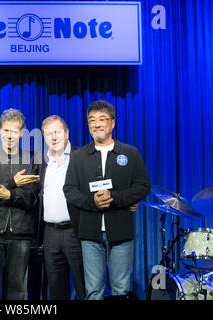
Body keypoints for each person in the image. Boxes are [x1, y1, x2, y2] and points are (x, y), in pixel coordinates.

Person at [63, 100, 150, 300]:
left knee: (120, 289)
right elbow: (69, 190)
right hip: (90, 233)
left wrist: (116, 198)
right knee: (93, 291)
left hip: (120, 230)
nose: (97, 124)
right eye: (91, 120)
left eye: (102, 119)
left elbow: (143, 186)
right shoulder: (79, 156)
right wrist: (92, 202)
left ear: (112, 123)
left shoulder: (129, 153)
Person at [0, 108, 40, 300]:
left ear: (22, 133)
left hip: (21, 233)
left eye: (14, 131)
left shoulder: (31, 159)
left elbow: (32, 198)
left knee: (18, 291)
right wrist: (12, 185)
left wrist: (9, 195)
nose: (9, 136)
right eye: (5, 131)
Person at [38, 115, 85, 300]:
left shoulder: (81, 157)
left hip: (76, 231)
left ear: (67, 133)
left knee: (84, 285)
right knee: (56, 288)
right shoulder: (42, 162)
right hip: (50, 233)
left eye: (57, 132)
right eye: (48, 134)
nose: (53, 137)